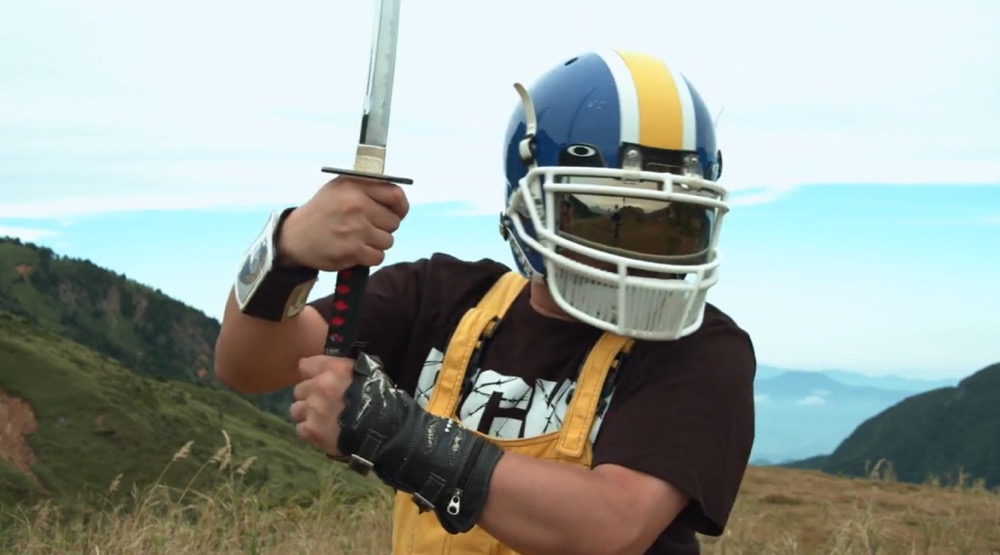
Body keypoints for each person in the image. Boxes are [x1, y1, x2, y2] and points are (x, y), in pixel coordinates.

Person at [214, 48, 756, 555]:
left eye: (674, 222)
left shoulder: (702, 347)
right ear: (528, 199)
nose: (641, 251)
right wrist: (285, 254)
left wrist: (398, 434)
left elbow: (610, 525)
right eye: (606, 214)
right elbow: (249, 366)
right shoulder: (438, 297)